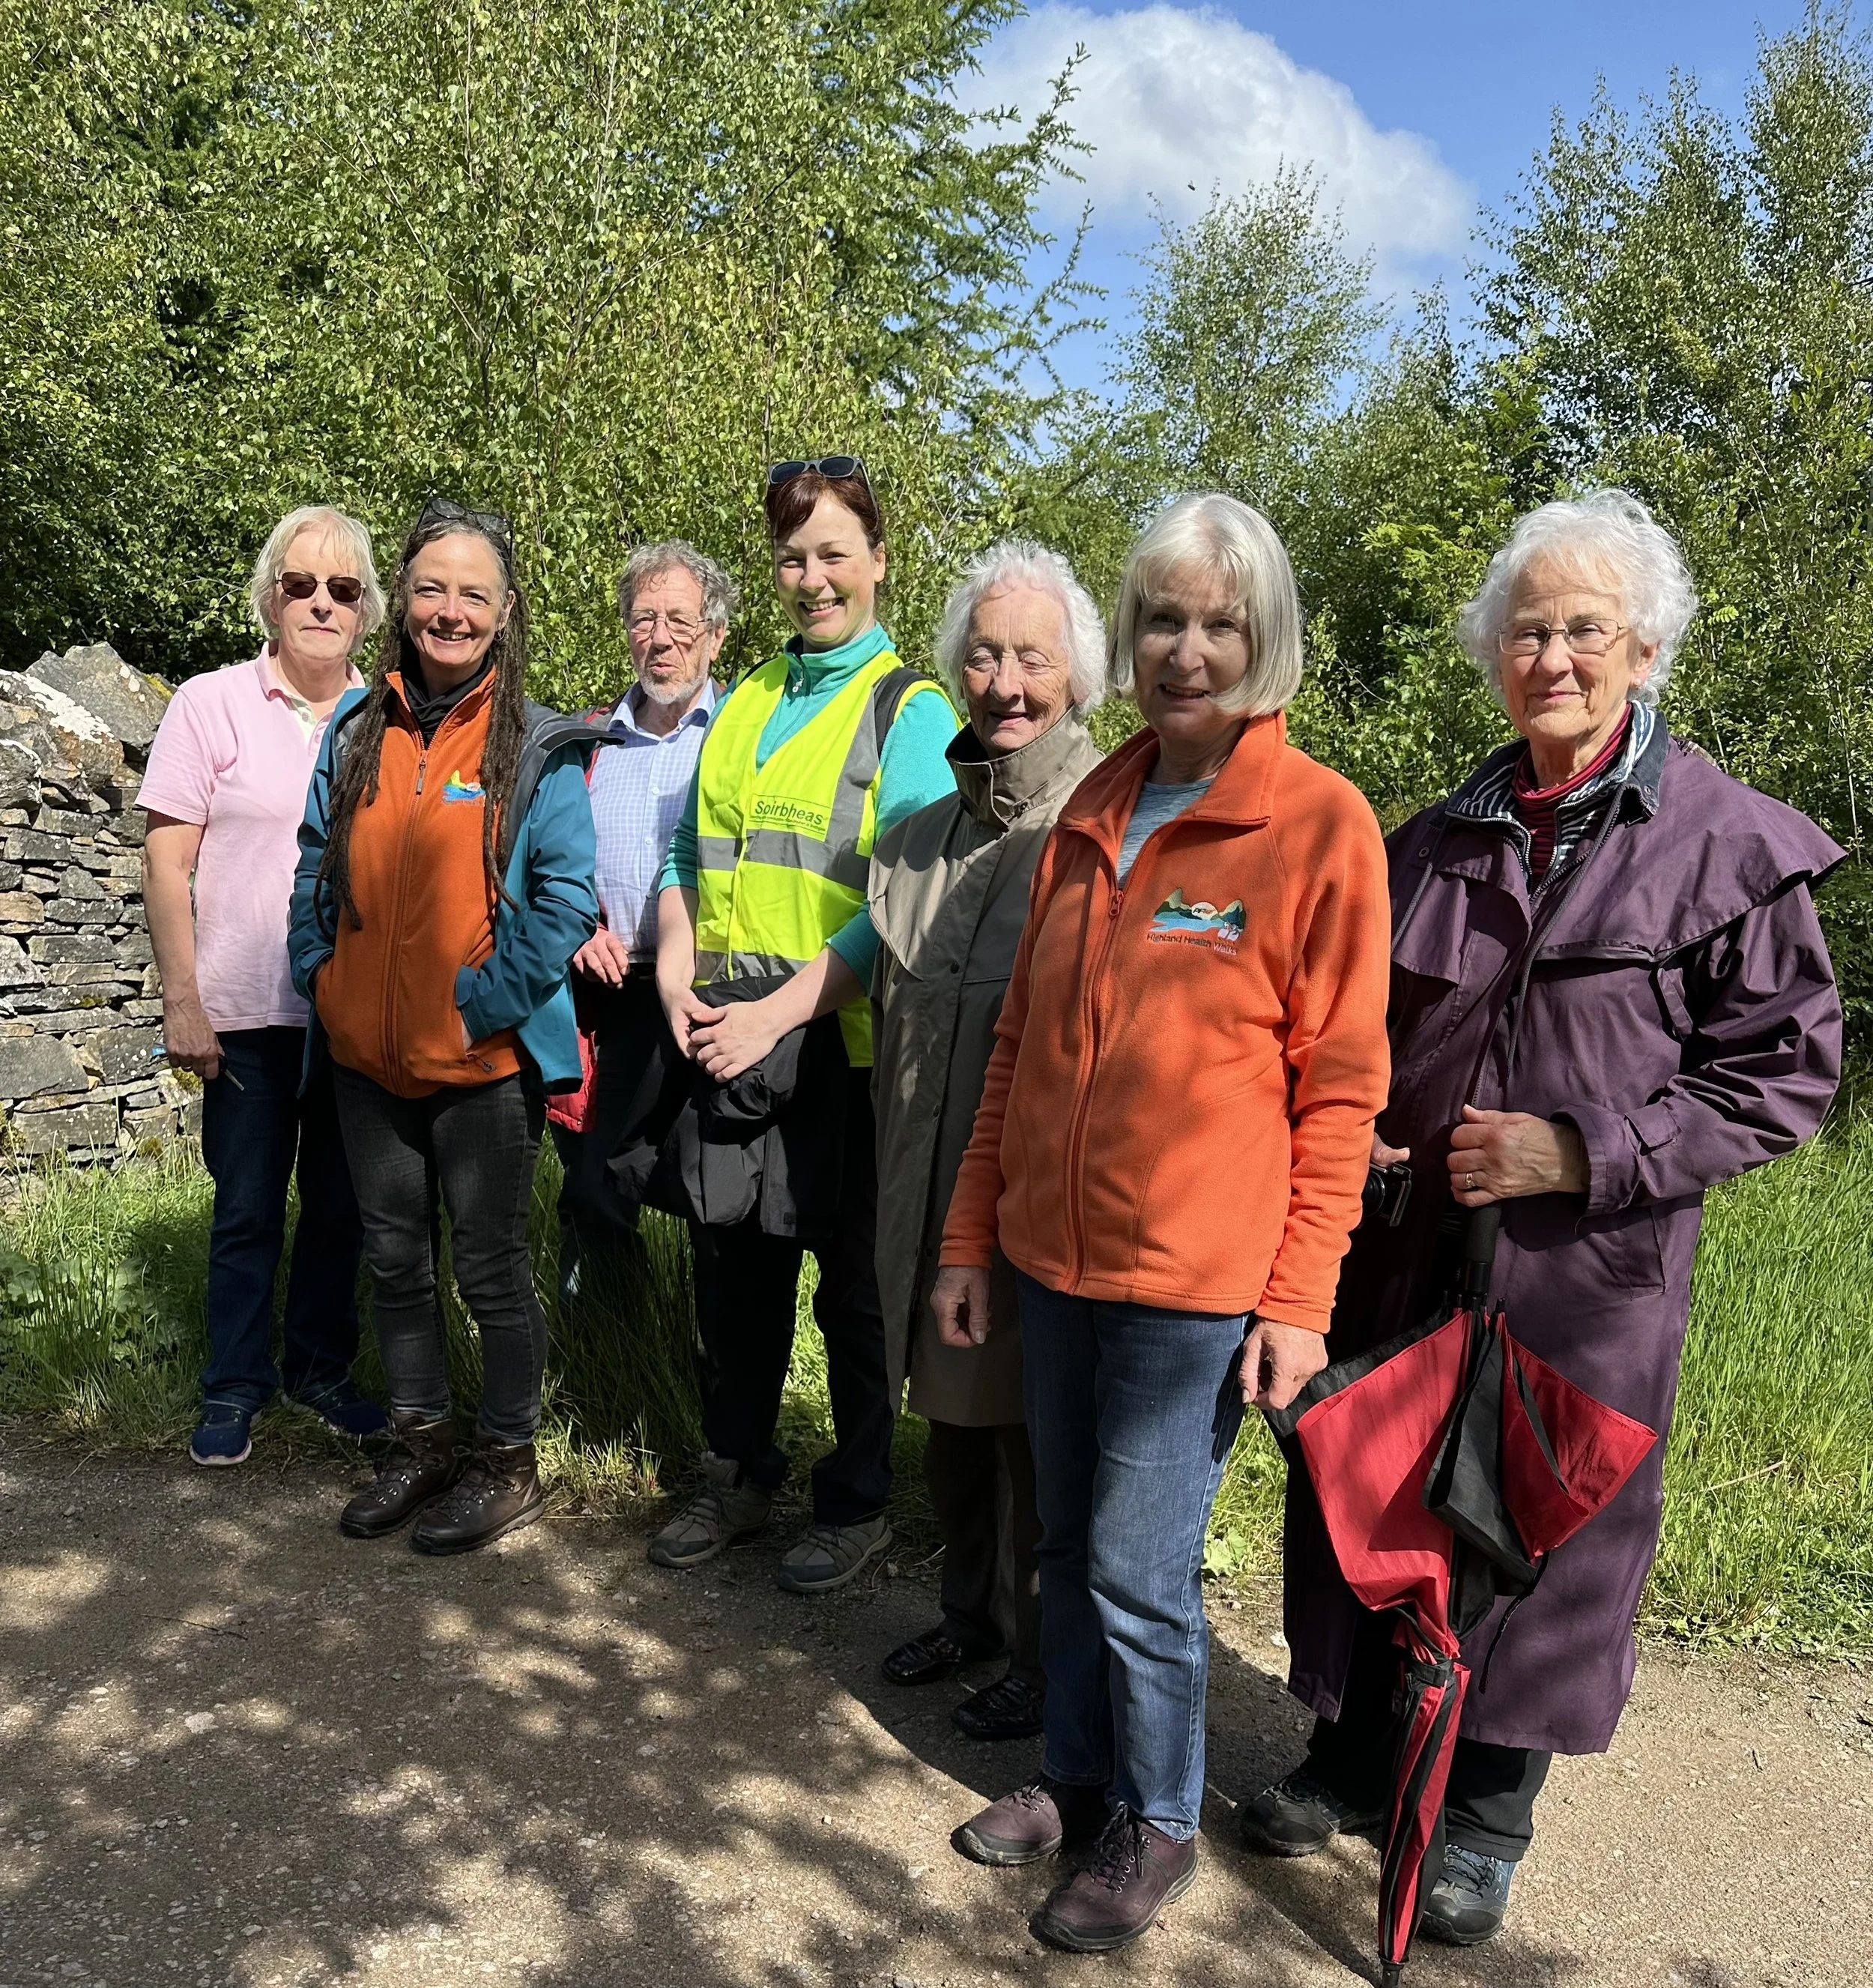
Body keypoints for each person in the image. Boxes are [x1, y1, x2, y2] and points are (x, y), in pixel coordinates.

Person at [1241, 489, 1843, 1948]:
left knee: (1531, 1540)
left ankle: (1482, 1817)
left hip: (1583, 1280)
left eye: (1581, 628)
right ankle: (1350, 1754)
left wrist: (1583, 1151)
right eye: (1525, 629)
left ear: (1640, 646)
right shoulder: (1436, 835)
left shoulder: (1722, 845)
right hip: (1408, 1258)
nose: (1551, 655)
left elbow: (1784, 1074)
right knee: (1375, 1497)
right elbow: (1345, 1028)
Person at [932, 493, 1392, 1953]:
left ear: (1262, 643)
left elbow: (1339, 1090)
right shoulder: (1093, 806)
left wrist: (1296, 1299)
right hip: (1049, 1258)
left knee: (1135, 1567)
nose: (1186, 648)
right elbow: (1017, 1045)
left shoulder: (1316, 826)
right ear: (1126, 641)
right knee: (1068, 1547)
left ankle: (1159, 1818)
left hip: (1194, 1283)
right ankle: (1072, 1780)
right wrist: (964, 1238)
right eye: (1162, 621)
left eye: (1218, 623)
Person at [649, 455, 958, 1593]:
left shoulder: (912, 713)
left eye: (835, 553)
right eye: (794, 556)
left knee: (855, 1294)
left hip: (845, 1052)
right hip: (728, 1038)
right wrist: (677, 972)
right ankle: (736, 1473)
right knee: (732, 1278)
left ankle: (859, 1498)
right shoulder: (745, 702)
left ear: (879, 562)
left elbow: (903, 905)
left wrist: (776, 1012)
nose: (813, 577)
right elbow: (688, 856)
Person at [288, 497, 605, 1556]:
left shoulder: (540, 744)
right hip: (363, 1060)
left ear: (506, 611)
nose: (451, 610)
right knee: (393, 1261)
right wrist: (319, 974)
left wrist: (480, 1004)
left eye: (475, 593)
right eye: (433, 587)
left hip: (480, 1066)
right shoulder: (356, 724)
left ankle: (505, 1462)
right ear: (404, 601)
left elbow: (564, 902)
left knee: (490, 1272)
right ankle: (420, 1444)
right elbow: (310, 863)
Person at [868, 540, 1104, 1742]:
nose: (1007, 681)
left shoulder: (1102, 830)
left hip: (1034, 1199)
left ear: (1078, 676)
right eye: (987, 652)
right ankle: (965, 1612)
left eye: (1035, 657)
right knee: (947, 1414)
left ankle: (1036, 1647)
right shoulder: (911, 840)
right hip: (916, 1187)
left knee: (1024, 1431)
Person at [142, 505, 387, 1468]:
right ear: (269, 597)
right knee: (245, 1205)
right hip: (243, 1009)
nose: (321, 604)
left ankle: (321, 1371)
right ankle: (235, 1384)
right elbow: (167, 864)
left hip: (352, 1014)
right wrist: (182, 997)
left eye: (343, 590)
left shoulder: (388, 717)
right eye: (301, 585)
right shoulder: (210, 703)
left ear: (365, 612)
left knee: (339, 1207)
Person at [547, 543, 736, 1318]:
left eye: (679, 620)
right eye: (643, 618)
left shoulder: (741, 737)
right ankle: (614, 1352)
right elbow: (545, 863)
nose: (659, 638)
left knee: (715, 1201)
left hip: (714, 999)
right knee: (595, 1185)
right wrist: (581, 926)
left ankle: (716, 1381)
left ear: (716, 636)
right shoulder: (587, 742)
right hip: (610, 997)